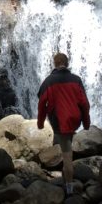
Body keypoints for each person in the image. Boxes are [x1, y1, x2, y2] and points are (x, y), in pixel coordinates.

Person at [37, 52, 91, 195]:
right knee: (67, 146)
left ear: (55, 64)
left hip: (59, 120)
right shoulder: (76, 80)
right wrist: (86, 123)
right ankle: (66, 177)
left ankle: (69, 188)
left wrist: (40, 122)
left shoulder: (48, 81)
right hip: (74, 119)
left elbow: (42, 103)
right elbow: (85, 103)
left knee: (67, 155)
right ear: (67, 63)